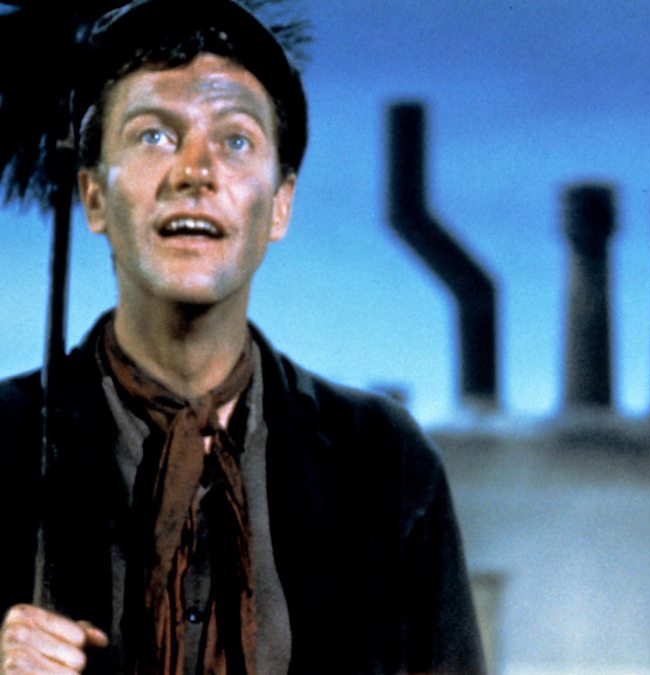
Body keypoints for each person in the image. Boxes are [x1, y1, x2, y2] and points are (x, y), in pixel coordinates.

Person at [0, 1, 485, 673]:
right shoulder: (5, 445)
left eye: (234, 141)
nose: (193, 171)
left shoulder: (382, 463)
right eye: (153, 136)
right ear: (92, 196)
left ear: (280, 204)